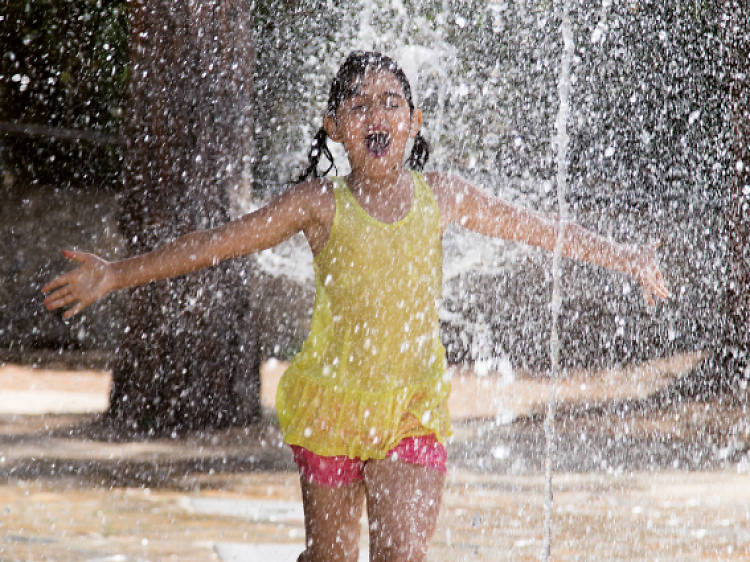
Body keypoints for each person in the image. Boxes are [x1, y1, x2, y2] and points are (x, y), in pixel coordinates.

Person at [42, 51, 669, 562]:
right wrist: (116, 274)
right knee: (329, 559)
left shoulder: (441, 196)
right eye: (359, 104)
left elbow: (537, 228)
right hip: (333, 405)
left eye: (391, 102)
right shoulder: (319, 204)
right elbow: (215, 244)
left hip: (411, 407)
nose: (377, 113)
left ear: (414, 121)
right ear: (336, 127)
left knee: (401, 555)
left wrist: (628, 258)